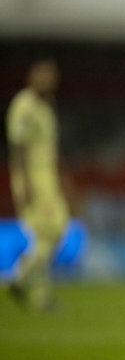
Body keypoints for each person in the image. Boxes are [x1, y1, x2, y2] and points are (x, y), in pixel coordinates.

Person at [6, 58, 69, 312]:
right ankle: (17, 278)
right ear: (31, 76)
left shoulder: (46, 106)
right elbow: (17, 146)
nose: (48, 80)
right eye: (43, 75)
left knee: (44, 238)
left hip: (48, 179)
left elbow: (52, 149)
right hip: (33, 179)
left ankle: (40, 298)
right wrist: (24, 181)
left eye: (52, 76)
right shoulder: (24, 104)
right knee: (57, 229)